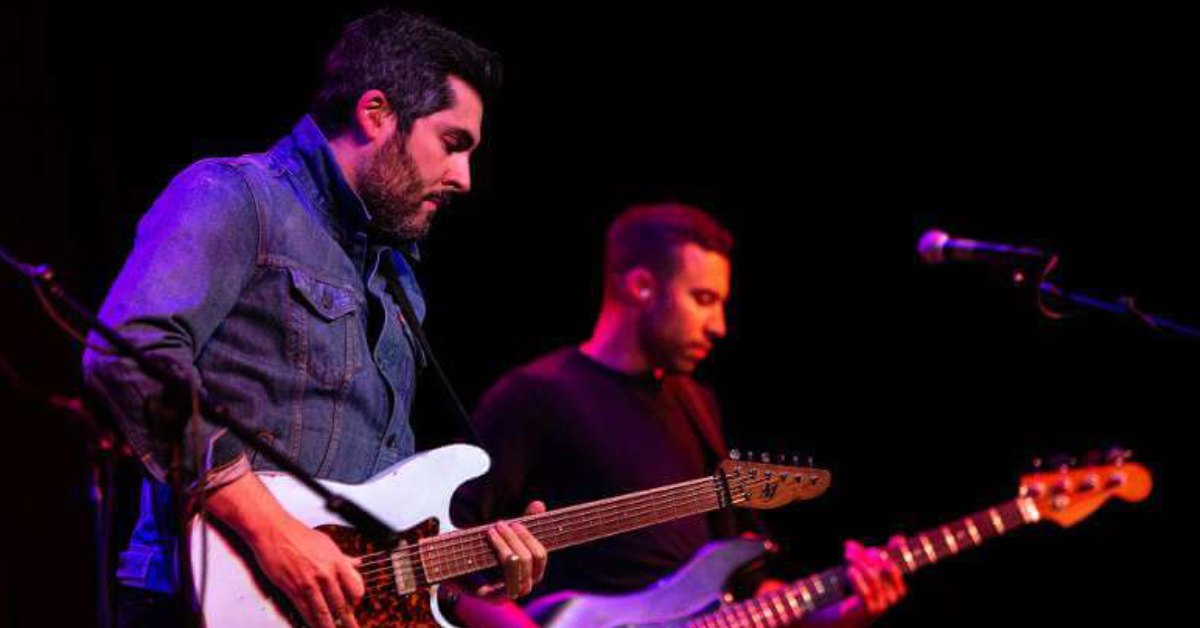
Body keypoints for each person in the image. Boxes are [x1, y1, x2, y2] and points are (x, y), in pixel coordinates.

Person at [83, 10, 545, 628]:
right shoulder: (236, 197)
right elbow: (128, 354)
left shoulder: (396, 277)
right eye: (453, 143)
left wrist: (458, 568)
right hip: (196, 603)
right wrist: (269, 528)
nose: (465, 178)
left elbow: (374, 505)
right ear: (376, 113)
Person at [452, 203, 905, 626]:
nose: (719, 326)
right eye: (703, 298)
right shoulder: (535, 396)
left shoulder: (697, 405)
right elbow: (447, 571)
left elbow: (747, 590)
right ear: (641, 286)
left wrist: (842, 611)